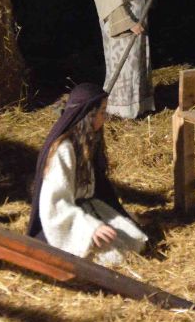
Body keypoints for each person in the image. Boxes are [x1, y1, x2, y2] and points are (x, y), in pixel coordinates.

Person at [27, 83, 148, 266]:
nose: (105, 118)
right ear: (89, 115)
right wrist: (91, 228)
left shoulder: (86, 141)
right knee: (114, 257)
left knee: (134, 240)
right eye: (102, 112)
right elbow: (56, 202)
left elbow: (98, 187)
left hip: (88, 207)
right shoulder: (64, 150)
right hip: (67, 221)